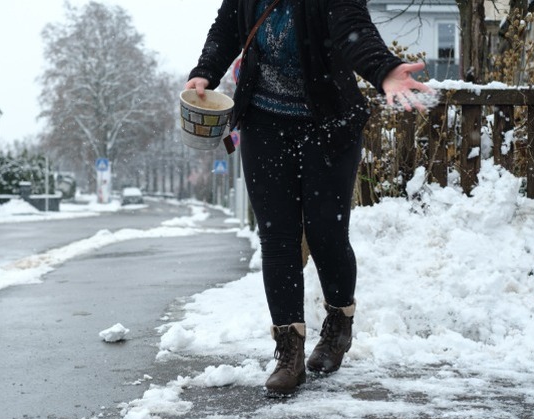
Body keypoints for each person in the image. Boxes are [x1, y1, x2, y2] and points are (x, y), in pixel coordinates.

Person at [185, 0, 433, 397]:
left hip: (327, 123)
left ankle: (338, 325)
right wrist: (204, 72)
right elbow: (227, 27)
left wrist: (384, 70)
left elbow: (352, 28)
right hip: (264, 124)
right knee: (277, 238)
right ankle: (289, 353)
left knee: (326, 234)